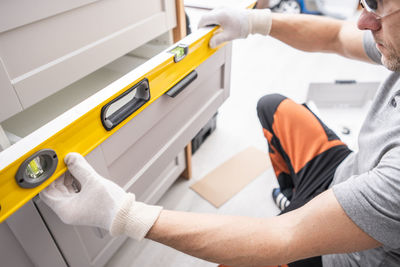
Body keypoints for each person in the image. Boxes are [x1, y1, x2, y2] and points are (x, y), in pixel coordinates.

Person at [40, 0, 400, 266]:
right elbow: (338, 35)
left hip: (348, 253)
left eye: (380, 8)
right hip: (349, 176)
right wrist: (254, 21)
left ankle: (302, 213)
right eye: (368, 2)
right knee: (273, 108)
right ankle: (295, 199)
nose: (365, 21)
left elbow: (283, 237)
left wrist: (122, 214)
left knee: (239, 259)